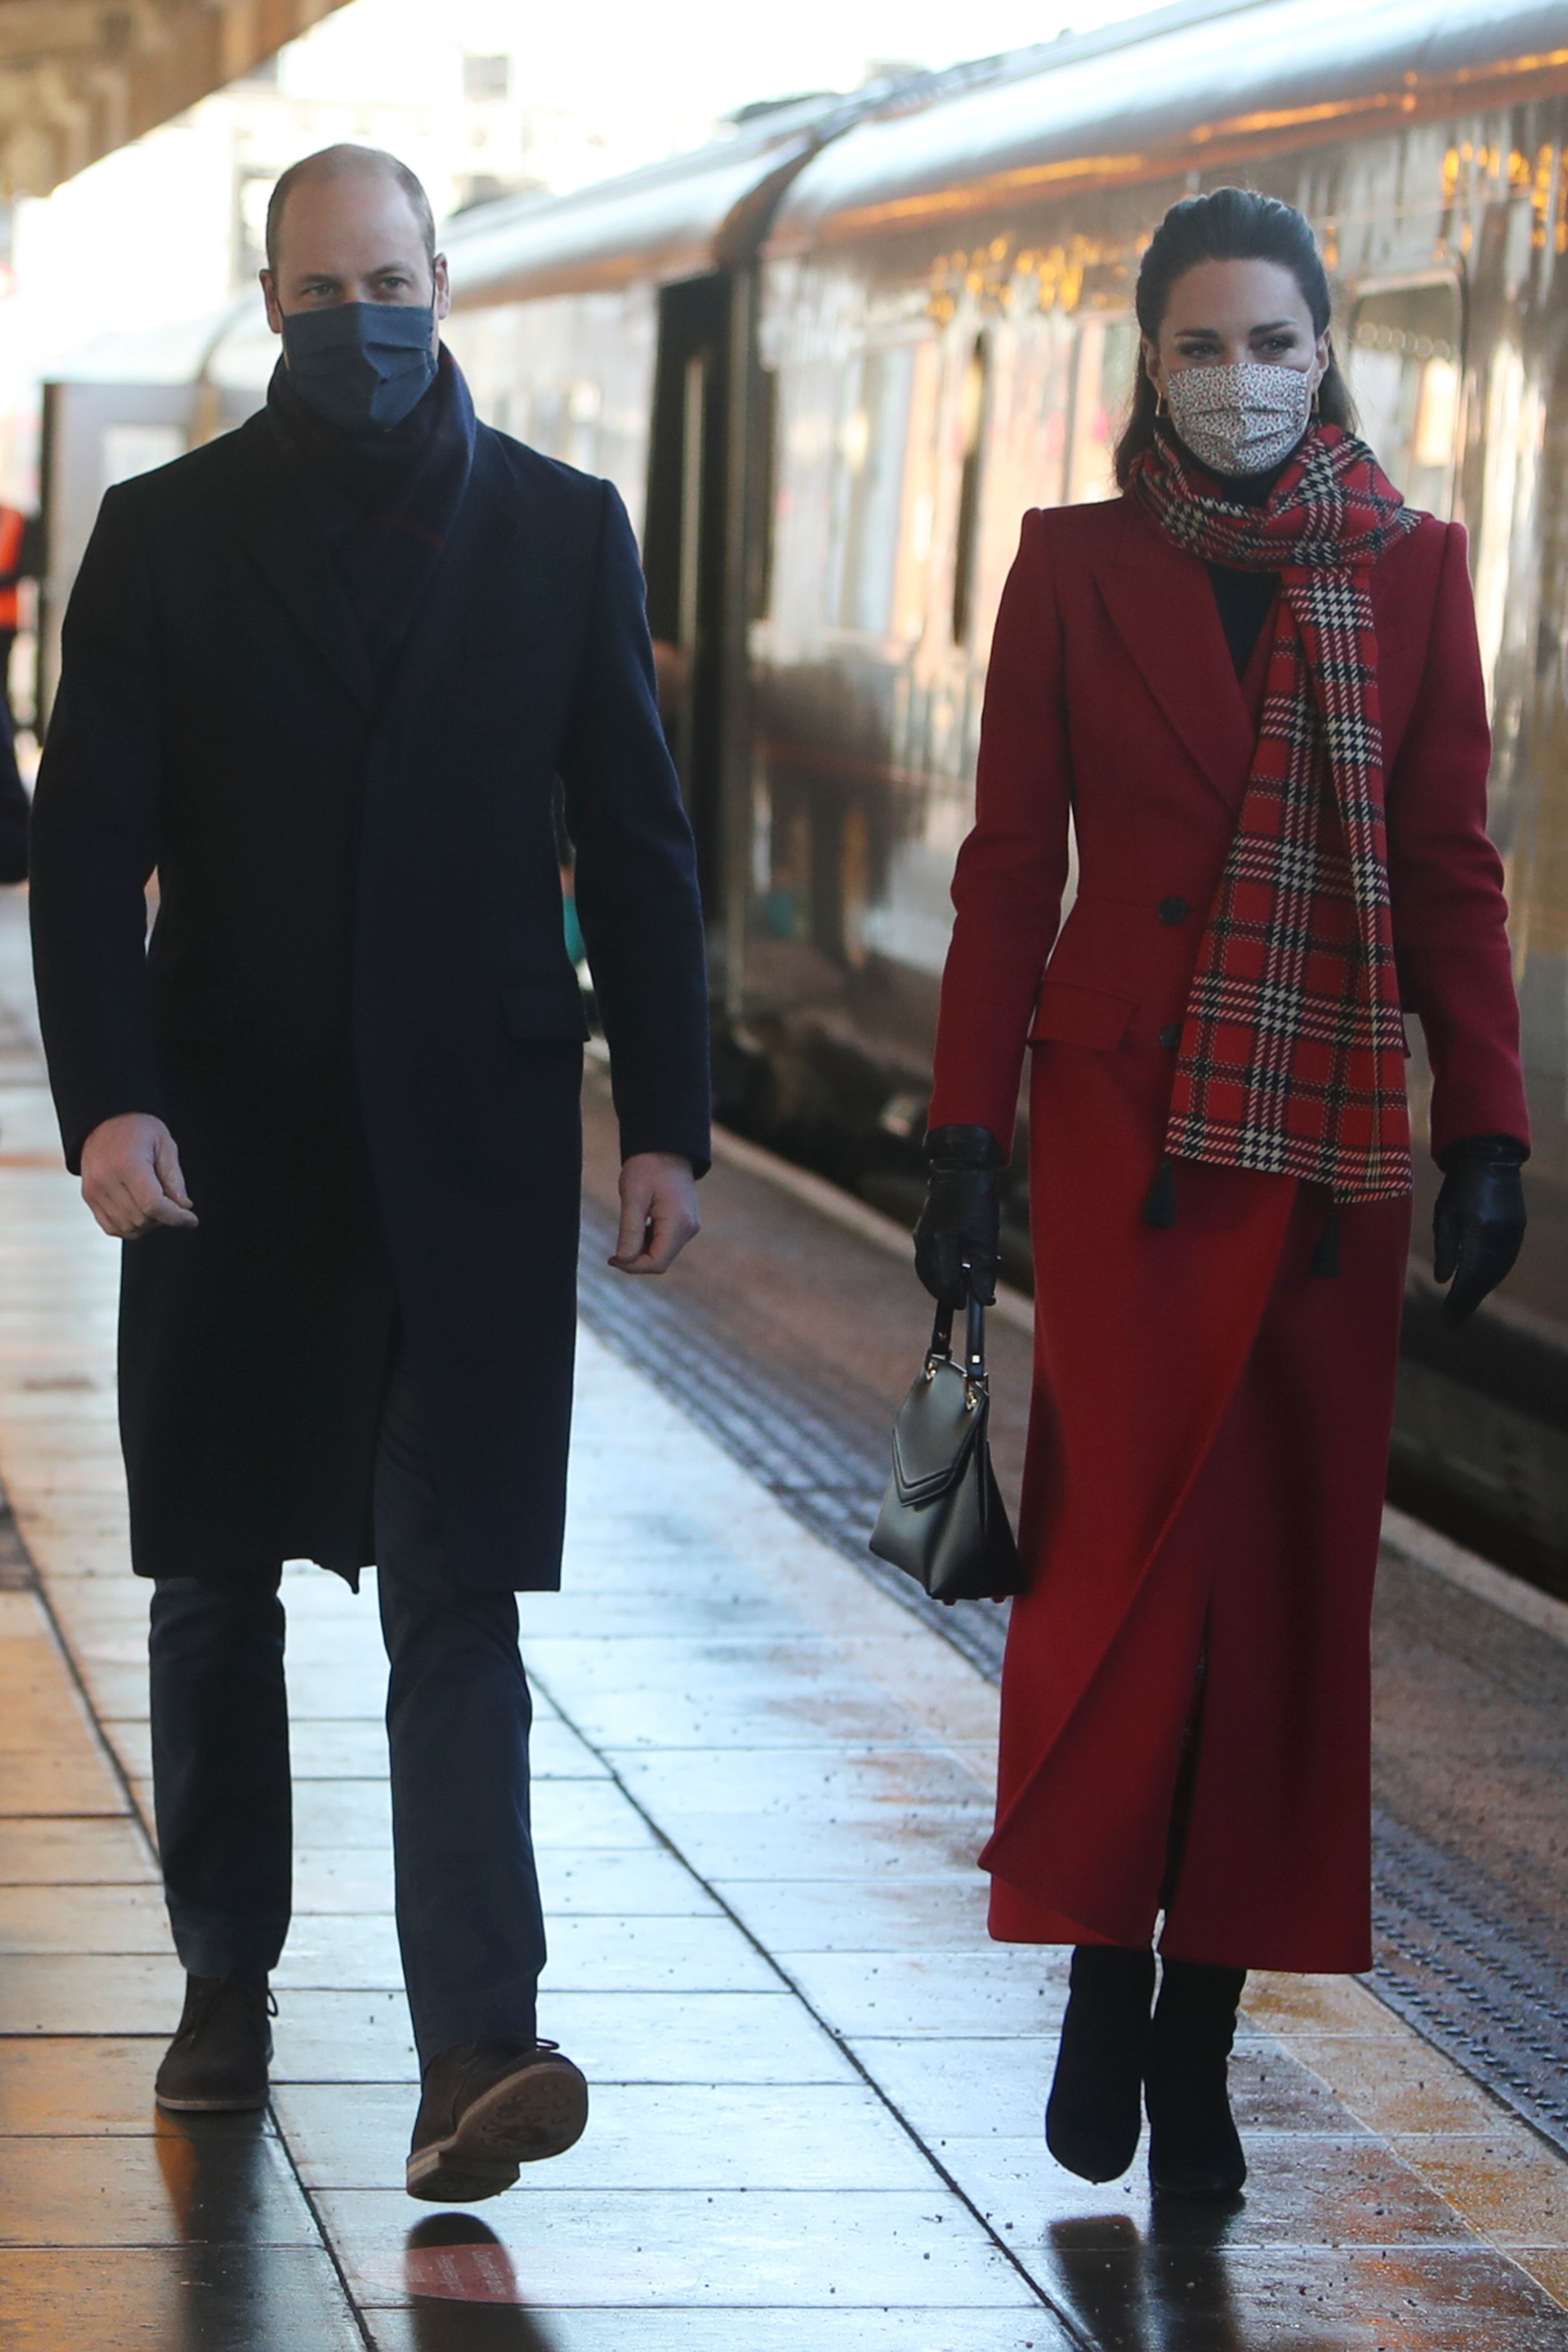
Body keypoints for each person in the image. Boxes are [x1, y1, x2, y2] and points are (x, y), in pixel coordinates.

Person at [28, 145, 710, 2203]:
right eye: (321, 294)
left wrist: (667, 1114)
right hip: (229, 1158)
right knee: (217, 1587)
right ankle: (225, 1982)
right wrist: (106, 1103)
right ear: (271, 302)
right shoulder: (162, 538)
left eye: (390, 281)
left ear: (445, 284)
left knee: (459, 1602)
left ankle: (473, 2052)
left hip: (477, 1176)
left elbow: (642, 845)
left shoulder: (564, 534)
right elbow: (83, 858)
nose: (362, 323)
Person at [914, 187, 1527, 2200]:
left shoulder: (1415, 573)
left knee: (1280, 1608)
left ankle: (1202, 2039)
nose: (1241, 380)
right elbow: (1013, 867)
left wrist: (1492, 1126)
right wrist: (962, 1134)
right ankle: (1102, 1974)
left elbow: (1452, 867)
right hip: (1125, 1152)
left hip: (1338, 1150)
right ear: (1148, 363)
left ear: (1330, 351)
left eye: (1276, 343)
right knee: (1117, 1584)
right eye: (1202, 344)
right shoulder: (1072, 566)